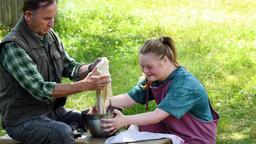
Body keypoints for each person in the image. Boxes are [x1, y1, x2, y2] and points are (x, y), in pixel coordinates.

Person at [0, 0, 110, 144]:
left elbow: (69, 66)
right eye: (46, 18)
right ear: (28, 15)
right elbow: (40, 89)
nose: (52, 23)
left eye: (53, 17)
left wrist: (91, 68)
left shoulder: (49, 34)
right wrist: (85, 85)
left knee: (105, 123)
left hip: (54, 112)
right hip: (23, 120)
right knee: (62, 133)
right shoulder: (13, 47)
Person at [101, 36, 219, 143]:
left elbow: (157, 116)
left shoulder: (185, 84)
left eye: (149, 66)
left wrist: (124, 120)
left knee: (134, 126)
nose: (145, 71)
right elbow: (130, 97)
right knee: (135, 130)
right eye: (142, 67)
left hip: (195, 138)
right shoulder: (154, 77)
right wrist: (106, 102)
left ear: (165, 61)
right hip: (171, 131)